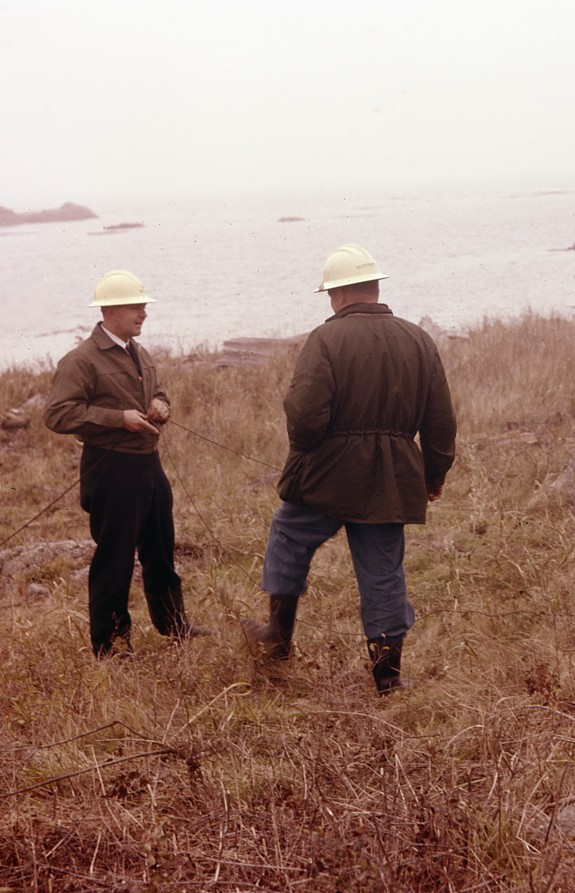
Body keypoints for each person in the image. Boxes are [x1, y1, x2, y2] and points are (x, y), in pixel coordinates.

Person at [242, 244, 457, 695]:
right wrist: (433, 476)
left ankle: (277, 639)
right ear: (375, 288)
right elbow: (440, 422)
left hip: (325, 478)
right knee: (382, 572)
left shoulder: (325, 339)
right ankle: (388, 679)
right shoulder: (419, 339)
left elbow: (304, 419)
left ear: (336, 294)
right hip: (390, 482)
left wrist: (308, 450)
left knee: (288, 537)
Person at [44, 269, 207, 657]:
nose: (144, 314)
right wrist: (118, 419)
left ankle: (173, 625)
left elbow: (159, 389)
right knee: (114, 559)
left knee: (160, 549)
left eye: (144, 307)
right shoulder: (81, 360)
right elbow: (58, 414)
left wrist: (161, 404)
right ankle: (111, 645)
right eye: (137, 307)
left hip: (148, 465)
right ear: (111, 310)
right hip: (110, 468)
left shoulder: (140, 351)